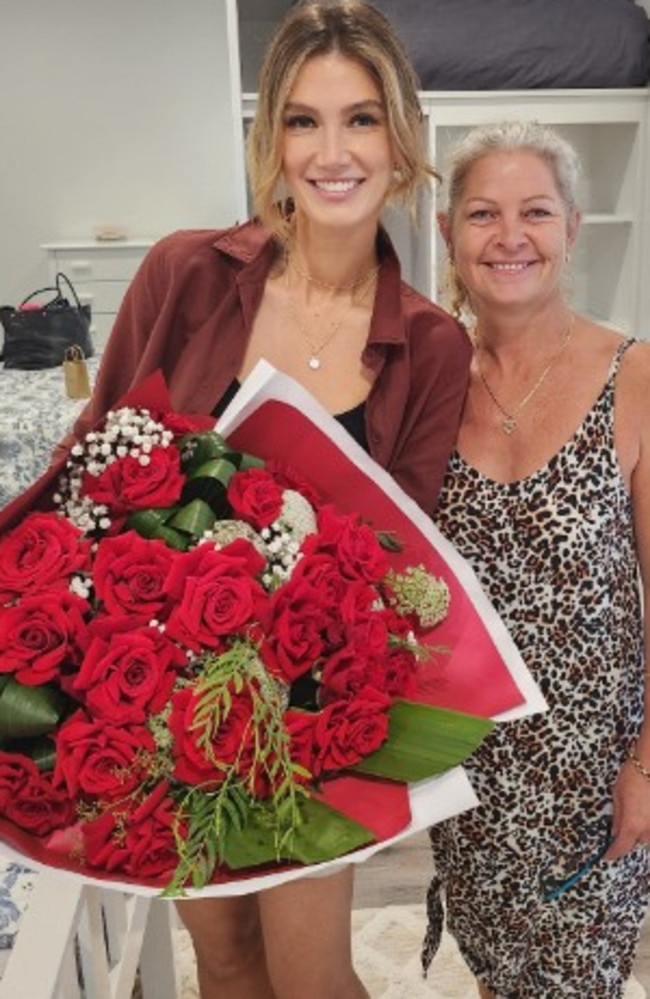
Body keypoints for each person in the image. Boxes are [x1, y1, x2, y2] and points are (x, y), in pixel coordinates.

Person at [64, 2, 470, 996]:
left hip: (312, 713)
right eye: (302, 120)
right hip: (163, 708)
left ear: (400, 138)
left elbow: (402, 556)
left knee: (310, 973)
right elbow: (93, 473)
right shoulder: (184, 275)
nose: (331, 151)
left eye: (361, 118)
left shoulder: (426, 344)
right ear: (270, 140)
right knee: (227, 957)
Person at [422, 119, 650, 998]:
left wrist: (645, 766)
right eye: (482, 213)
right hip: (469, 756)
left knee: (579, 977)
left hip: (597, 763)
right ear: (447, 233)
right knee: (497, 967)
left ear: (572, 228)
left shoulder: (632, 376)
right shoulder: (429, 378)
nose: (509, 236)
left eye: (535, 212)